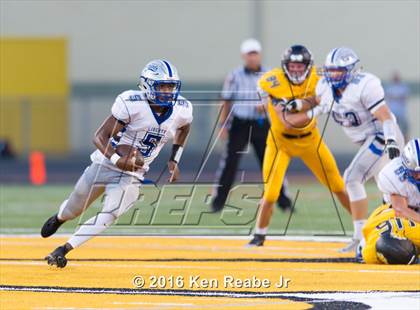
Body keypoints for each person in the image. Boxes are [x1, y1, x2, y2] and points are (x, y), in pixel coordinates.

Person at [40, 60, 193, 268]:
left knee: (113, 212)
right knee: (73, 209)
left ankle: (65, 248)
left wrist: (174, 159)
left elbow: (184, 128)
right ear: (147, 86)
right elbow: (99, 136)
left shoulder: (182, 109)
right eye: (162, 87)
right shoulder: (131, 103)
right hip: (104, 163)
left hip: (134, 172)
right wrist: (117, 160)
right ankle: (59, 218)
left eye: (171, 87)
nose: (167, 92)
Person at [283, 47, 405, 252]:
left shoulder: (365, 85)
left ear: (351, 70)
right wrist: (296, 107)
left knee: (351, 177)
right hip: (368, 140)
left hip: (382, 135)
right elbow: (318, 102)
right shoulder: (324, 86)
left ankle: (360, 238)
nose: (333, 75)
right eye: (330, 70)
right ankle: (393, 235)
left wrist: (391, 141)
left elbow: (385, 116)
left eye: (338, 71)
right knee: (389, 190)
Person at [247, 45, 351, 247]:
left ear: (308, 66)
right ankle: (259, 235)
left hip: (310, 140)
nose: (295, 69)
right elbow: (287, 120)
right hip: (280, 142)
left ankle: (363, 226)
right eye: (292, 65)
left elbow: (327, 97)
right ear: (285, 66)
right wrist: (310, 104)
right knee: (270, 193)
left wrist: (305, 103)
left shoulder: (319, 77)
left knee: (338, 185)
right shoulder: (271, 81)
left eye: (299, 65)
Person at [212, 38, 292, 212]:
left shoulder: (270, 75)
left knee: (270, 162)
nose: (252, 57)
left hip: (261, 123)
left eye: (255, 53)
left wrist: (266, 106)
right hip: (240, 124)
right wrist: (222, 125)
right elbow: (226, 101)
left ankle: (283, 201)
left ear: (259, 55)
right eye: (249, 54)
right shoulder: (234, 75)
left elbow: (279, 98)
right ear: (243, 56)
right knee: (230, 162)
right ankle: (218, 202)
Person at [358, 138, 419, 264]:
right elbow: (400, 210)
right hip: (396, 214)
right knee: (381, 247)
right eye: (416, 173)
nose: (419, 177)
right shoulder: (393, 173)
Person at [385, 72, 410, 141]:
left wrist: (395, 97)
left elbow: (404, 97)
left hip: (401, 113)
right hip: (392, 113)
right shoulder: (389, 87)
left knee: (404, 131)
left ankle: (406, 145)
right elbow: (388, 97)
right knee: (393, 132)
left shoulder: (403, 87)